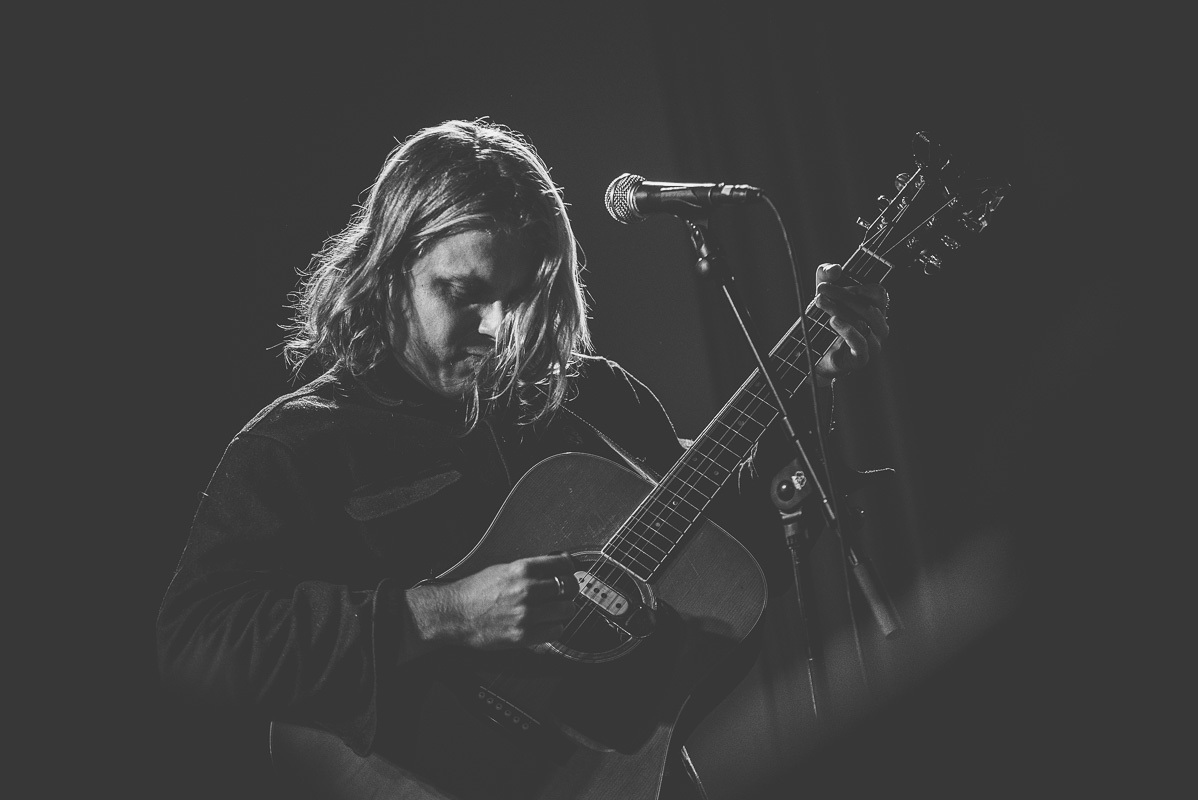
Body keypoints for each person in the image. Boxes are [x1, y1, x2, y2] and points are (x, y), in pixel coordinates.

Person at [156, 118, 888, 799]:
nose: (494, 329)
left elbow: (733, 570)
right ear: (387, 268)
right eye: (464, 294)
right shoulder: (301, 443)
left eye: (518, 297)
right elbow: (199, 642)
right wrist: (440, 615)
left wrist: (816, 391)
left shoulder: (594, 401)